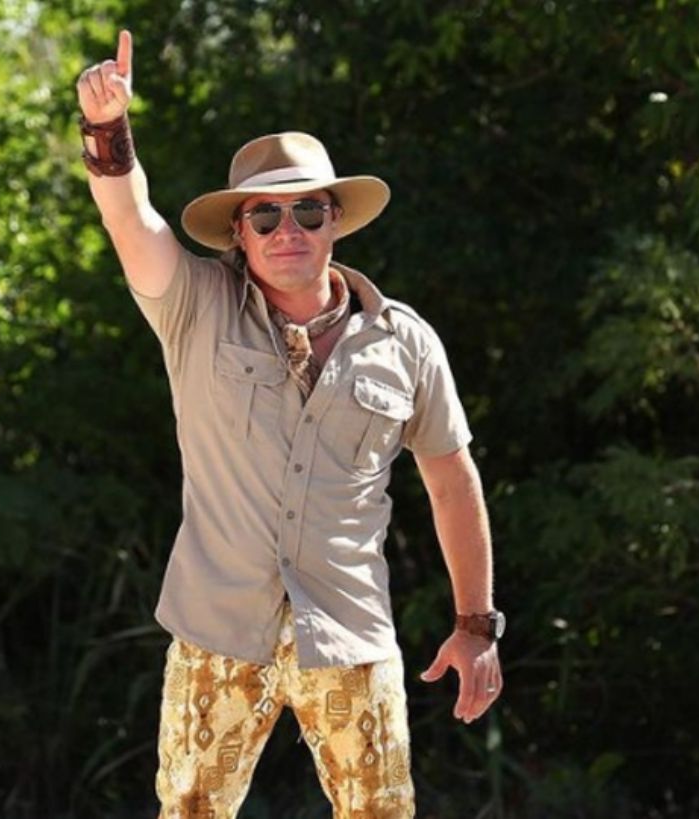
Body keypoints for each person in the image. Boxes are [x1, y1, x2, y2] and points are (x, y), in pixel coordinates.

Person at [76, 29, 505, 818]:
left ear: (335, 220)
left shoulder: (406, 342)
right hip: (217, 627)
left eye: (307, 210)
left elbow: (452, 482)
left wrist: (475, 624)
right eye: (265, 215)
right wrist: (108, 128)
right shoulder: (194, 307)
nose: (288, 230)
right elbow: (129, 219)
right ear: (237, 234)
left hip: (348, 630)